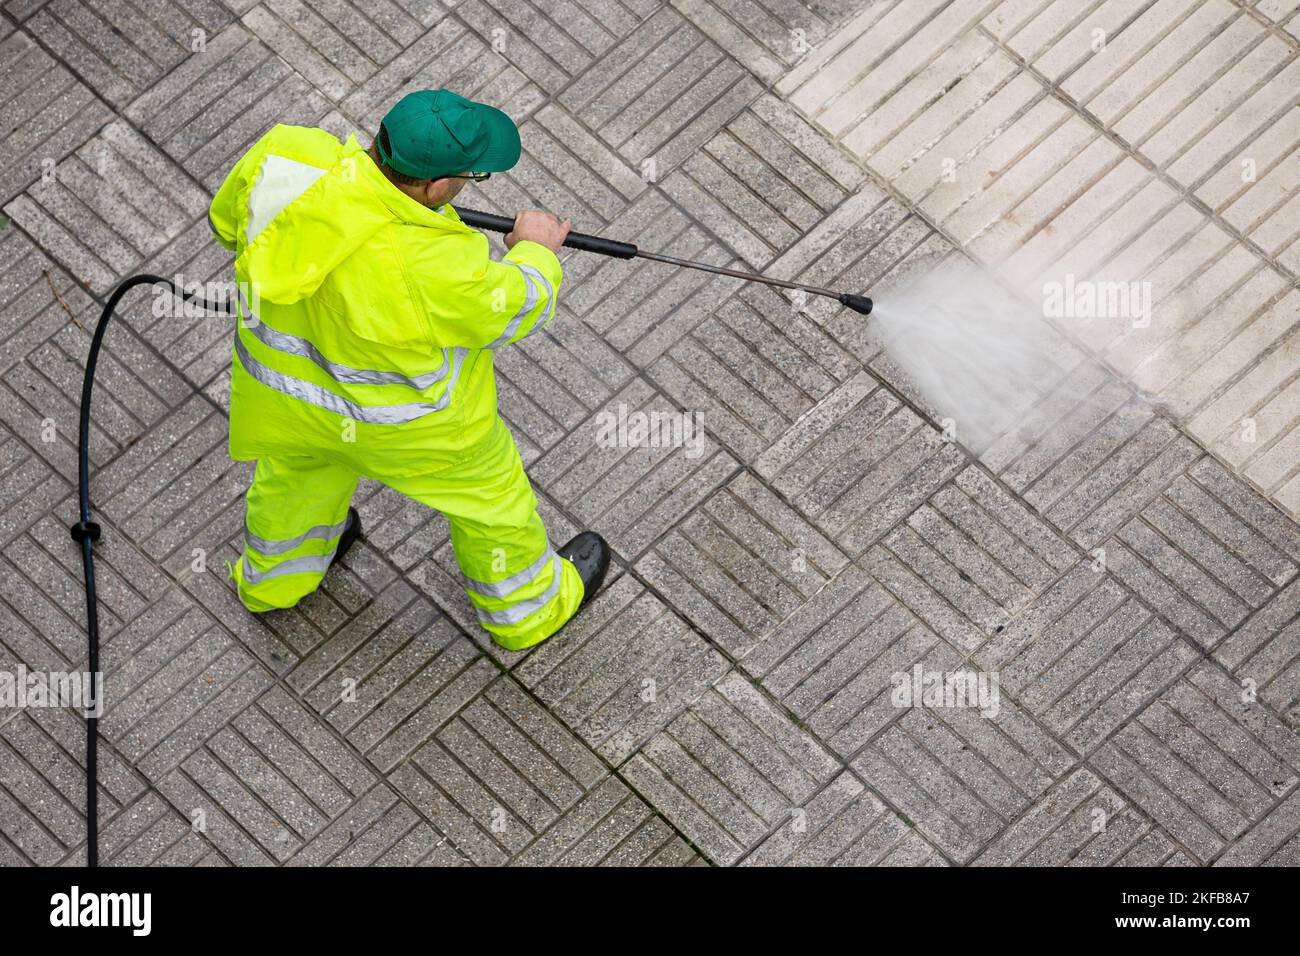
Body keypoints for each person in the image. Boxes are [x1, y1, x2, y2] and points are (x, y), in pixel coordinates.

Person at [206, 88, 610, 651]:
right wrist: (536, 250)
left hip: (290, 405)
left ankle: (271, 585)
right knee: (492, 503)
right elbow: (513, 309)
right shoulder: (438, 264)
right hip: (415, 434)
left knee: (295, 485)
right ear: (440, 187)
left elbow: (228, 224)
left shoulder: (287, 154)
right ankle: (529, 613)